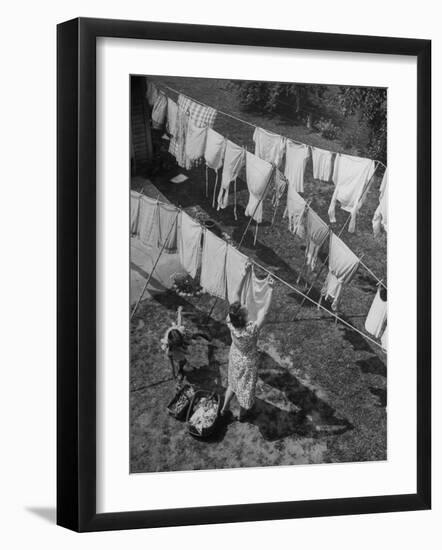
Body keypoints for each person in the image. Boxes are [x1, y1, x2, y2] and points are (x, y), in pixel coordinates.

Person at [220, 263, 273, 421]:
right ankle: (243, 415)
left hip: (235, 356)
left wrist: (245, 273)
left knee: (233, 384)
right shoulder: (251, 330)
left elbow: (236, 293)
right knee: (245, 390)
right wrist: (270, 289)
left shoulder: (230, 321)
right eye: (245, 309)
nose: (245, 306)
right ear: (243, 318)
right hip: (248, 363)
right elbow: (265, 312)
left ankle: (224, 409)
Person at [161, 307, 211, 383]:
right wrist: (174, 377)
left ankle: (200, 334)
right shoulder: (169, 351)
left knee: (192, 336)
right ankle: (181, 369)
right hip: (179, 344)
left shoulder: (179, 331)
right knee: (182, 360)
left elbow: (179, 322)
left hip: (184, 335)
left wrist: (179, 312)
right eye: (179, 345)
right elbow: (172, 366)